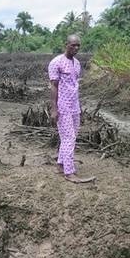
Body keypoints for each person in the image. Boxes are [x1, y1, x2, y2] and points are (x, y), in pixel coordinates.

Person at [48, 34, 95, 183]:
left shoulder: (77, 63)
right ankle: (69, 173)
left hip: (75, 106)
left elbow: (74, 85)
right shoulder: (56, 62)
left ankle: (61, 165)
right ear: (66, 45)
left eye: (78, 45)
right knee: (69, 138)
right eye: (73, 45)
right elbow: (54, 87)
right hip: (63, 106)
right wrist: (54, 109)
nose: (76, 48)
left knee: (70, 137)